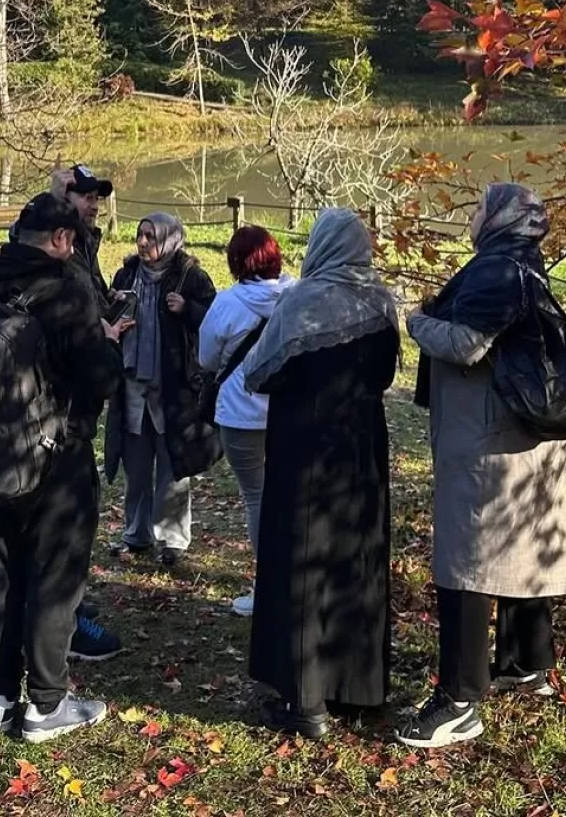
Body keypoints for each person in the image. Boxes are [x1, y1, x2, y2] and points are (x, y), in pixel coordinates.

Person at [398, 182, 566, 750]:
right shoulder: (526, 265)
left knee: (468, 566)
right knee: (523, 547)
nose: (473, 216)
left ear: (501, 217)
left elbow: (468, 344)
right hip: (525, 437)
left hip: (489, 443)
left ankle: (458, 702)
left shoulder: (497, 269)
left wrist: (414, 320)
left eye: (480, 207)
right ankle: (527, 664)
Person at [0, 193, 125, 742]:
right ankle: (47, 703)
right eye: (71, 241)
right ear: (60, 239)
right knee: (56, 573)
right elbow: (100, 377)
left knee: (2, 571)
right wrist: (109, 342)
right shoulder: (64, 290)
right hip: (58, 454)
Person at [243, 208, 399, 739]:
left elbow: (258, 373)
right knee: (357, 556)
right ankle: (357, 688)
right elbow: (385, 372)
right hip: (360, 445)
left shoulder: (301, 301)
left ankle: (306, 704)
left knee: (305, 560)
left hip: (304, 445)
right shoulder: (381, 301)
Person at [106, 214, 218, 568]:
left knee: (172, 467)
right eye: (140, 235)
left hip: (174, 389)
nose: (142, 243)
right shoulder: (126, 275)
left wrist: (188, 309)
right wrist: (114, 318)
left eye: (150, 237)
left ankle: (172, 539)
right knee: (136, 467)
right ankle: (136, 534)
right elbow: (107, 317)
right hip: (132, 386)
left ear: (169, 240)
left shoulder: (191, 278)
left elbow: (216, 323)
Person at [197, 225, 293, 618]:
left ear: (236, 262)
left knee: (256, 497)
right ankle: (292, 579)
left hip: (241, 414)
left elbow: (205, 358)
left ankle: (268, 586)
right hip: (290, 410)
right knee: (287, 495)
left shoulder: (227, 303)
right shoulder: (297, 295)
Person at [49, 164, 114, 308]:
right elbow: (21, 236)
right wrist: (53, 200)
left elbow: (92, 290)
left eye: (96, 198)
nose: (95, 206)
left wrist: (110, 298)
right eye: (88, 198)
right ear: (65, 198)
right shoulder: (51, 243)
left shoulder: (87, 241)